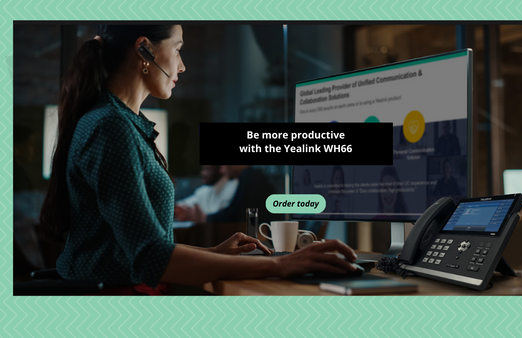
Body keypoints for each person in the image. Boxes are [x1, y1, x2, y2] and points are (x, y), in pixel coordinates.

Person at [39, 25, 357, 295]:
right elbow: (150, 258)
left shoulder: (118, 122)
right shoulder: (110, 126)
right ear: (145, 51)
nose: (182, 66)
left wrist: (214, 254)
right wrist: (283, 263)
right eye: (177, 49)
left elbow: (138, 250)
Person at [174, 165, 238, 221]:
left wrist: (201, 217)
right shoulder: (204, 190)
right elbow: (183, 205)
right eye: (203, 169)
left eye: (207, 169)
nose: (202, 173)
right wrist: (184, 211)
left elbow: (225, 217)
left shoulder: (234, 186)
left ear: (221, 168)